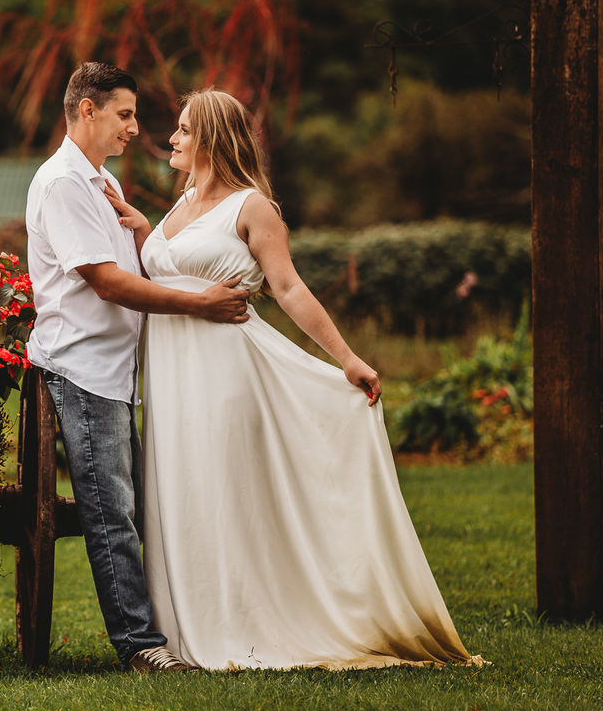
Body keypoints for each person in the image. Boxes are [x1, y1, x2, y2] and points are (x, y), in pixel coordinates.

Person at [104, 88, 483, 671]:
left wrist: (347, 358)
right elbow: (170, 275)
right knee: (183, 493)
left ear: (211, 138)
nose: (171, 139)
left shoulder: (253, 207)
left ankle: (243, 626)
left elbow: (289, 288)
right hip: (171, 382)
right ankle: (186, 628)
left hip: (224, 371)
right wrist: (141, 232)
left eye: (183, 129)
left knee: (223, 494)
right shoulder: (180, 204)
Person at [25, 63, 250, 673]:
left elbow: (130, 267)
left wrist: (148, 233)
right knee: (111, 513)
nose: (134, 127)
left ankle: (183, 627)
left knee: (139, 507)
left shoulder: (98, 182)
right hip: (83, 367)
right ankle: (140, 646)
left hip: (116, 372)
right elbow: (106, 282)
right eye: (124, 114)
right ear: (88, 109)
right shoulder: (63, 184)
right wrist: (199, 304)